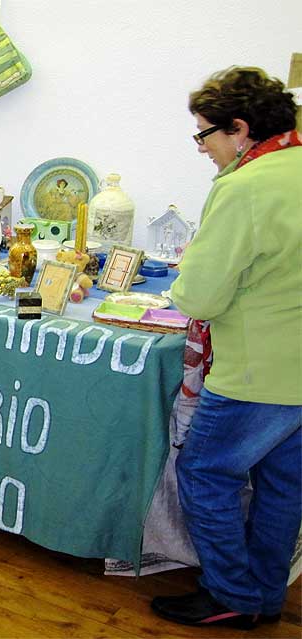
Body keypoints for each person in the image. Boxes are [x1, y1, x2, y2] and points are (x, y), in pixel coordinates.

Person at [151, 67, 301, 629]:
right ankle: (263, 593)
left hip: (257, 370)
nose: (203, 149)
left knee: (205, 472)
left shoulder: (244, 186)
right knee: (283, 486)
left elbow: (201, 296)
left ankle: (230, 593)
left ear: (239, 130)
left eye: (204, 135)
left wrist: (189, 270)